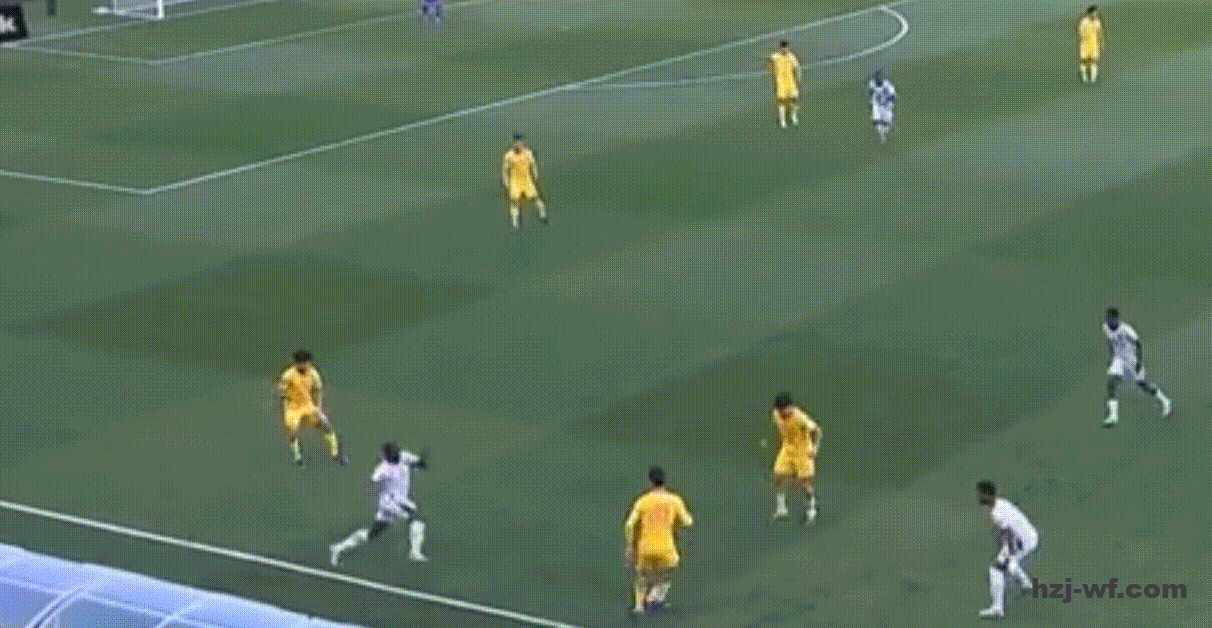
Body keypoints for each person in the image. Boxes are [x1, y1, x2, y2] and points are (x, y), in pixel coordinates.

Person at [330, 442, 429, 565]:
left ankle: (339, 548)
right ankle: (414, 552)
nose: (395, 457)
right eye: (392, 456)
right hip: (391, 502)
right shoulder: (383, 469)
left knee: (372, 533)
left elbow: (419, 463)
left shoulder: (404, 456)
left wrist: (421, 463)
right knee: (417, 519)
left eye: (396, 454)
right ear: (386, 457)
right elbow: (372, 483)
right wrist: (375, 490)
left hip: (397, 501)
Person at [624, 465, 693, 617]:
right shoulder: (674, 500)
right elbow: (687, 522)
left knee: (642, 578)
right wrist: (675, 525)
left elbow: (629, 525)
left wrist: (630, 548)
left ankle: (638, 607)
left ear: (650, 482)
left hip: (645, 549)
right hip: (666, 549)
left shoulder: (643, 501)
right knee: (665, 576)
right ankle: (654, 599)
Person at [978, 481, 1038, 619]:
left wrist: (1010, 556)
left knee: (996, 570)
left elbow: (1009, 535)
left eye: (980, 493)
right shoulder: (1001, 502)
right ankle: (1026, 582)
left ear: (986, 495)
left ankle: (997, 609)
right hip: (1029, 535)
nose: (978, 496)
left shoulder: (997, 513)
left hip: (1022, 541)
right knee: (1006, 561)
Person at [1103, 308, 1171, 426]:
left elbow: (1138, 344)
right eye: (1108, 318)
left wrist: (1139, 362)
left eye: (1111, 319)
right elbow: (1111, 342)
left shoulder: (1126, 329)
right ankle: (1113, 417)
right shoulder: (1105, 327)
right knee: (1111, 384)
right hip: (1118, 359)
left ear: (1117, 319)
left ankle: (1165, 400)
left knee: (1142, 384)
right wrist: (1111, 357)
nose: (1109, 321)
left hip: (1131, 359)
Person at [278, 349, 345, 466]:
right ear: (296, 363)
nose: (307, 365)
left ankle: (335, 453)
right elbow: (282, 392)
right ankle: (297, 456)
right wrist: (285, 400)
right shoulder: (288, 375)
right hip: (292, 408)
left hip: (308, 405)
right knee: (292, 430)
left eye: (308, 363)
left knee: (325, 425)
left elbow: (318, 390)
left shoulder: (313, 373)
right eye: (303, 363)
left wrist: (318, 408)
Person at [770, 393, 821, 523]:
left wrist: (814, 449)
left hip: (803, 452)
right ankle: (781, 509)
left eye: (784, 409)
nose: (782, 413)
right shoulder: (776, 414)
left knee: (804, 484)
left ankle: (811, 510)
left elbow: (817, 431)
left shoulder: (800, 418)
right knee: (778, 477)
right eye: (780, 410)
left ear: (791, 407)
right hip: (787, 450)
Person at [502, 133, 548, 229]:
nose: (517, 145)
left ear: (522, 143)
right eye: (516, 143)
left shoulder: (527, 153)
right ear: (513, 144)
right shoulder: (509, 155)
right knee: (514, 202)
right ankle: (515, 223)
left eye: (519, 143)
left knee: (535, 198)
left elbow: (533, 164)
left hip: (526, 180)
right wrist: (506, 181)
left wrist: (535, 175)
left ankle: (543, 215)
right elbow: (505, 170)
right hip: (515, 182)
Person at [767, 40, 802, 128]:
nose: (784, 49)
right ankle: (782, 121)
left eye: (785, 47)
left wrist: (798, 78)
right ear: (780, 48)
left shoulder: (791, 57)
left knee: (793, 100)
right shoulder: (776, 57)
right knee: (781, 103)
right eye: (782, 47)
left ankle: (793, 117)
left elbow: (797, 68)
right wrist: (773, 77)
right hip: (781, 83)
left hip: (790, 82)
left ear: (787, 48)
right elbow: (770, 61)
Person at [867, 70, 896, 143]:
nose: (878, 80)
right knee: (876, 121)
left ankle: (884, 133)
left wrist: (891, 103)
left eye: (879, 78)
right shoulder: (872, 84)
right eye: (877, 78)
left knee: (887, 122)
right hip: (877, 104)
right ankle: (882, 136)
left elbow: (893, 95)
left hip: (886, 105)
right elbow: (871, 93)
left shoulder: (887, 85)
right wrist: (871, 101)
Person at [1078, 5, 1104, 83]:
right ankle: (1084, 77)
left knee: (1093, 61)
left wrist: (1101, 43)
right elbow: (1080, 33)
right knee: (1084, 61)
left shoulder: (1097, 22)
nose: (1095, 15)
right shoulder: (1084, 22)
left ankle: (1093, 78)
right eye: (1094, 13)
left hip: (1094, 45)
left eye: (1096, 13)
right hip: (1085, 45)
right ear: (1089, 13)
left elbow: (1100, 33)